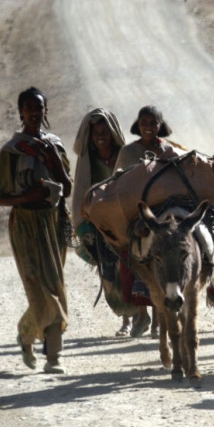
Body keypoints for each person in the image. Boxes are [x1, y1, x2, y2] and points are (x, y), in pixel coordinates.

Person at [0, 87, 73, 374]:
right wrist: (27, 198)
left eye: (39, 108)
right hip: (25, 225)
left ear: (45, 110)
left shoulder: (56, 145)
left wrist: (53, 162)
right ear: (21, 112)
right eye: (29, 108)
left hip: (53, 222)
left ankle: (38, 345)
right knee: (39, 289)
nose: (35, 113)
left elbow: (68, 188)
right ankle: (49, 352)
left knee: (54, 287)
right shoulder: (11, 152)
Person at [115, 105, 183, 338]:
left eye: (153, 122)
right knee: (134, 254)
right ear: (138, 124)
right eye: (144, 122)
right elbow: (118, 183)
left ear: (160, 126)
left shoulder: (169, 150)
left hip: (165, 212)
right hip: (136, 212)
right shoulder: (127, 152)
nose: (148, 126)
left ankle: (157, 320)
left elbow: (178, 180)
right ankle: (140, 315)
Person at [72, 108, 137, 337]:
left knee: (136, 267)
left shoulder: (126, 155)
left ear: (113, 134)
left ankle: (141, 317)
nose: (100, 136)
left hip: (128, 220)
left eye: (105, 132)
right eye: (96, 132)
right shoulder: (87, 161)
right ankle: (127, 318)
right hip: (101, 224)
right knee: (110, 271)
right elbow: (81, 192)